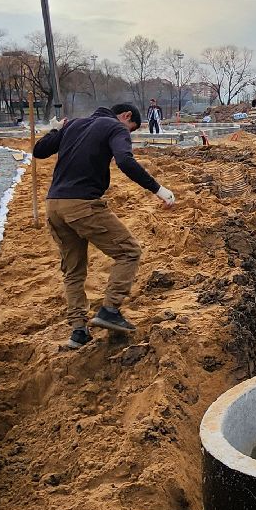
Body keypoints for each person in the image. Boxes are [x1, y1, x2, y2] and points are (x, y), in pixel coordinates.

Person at [33, 103, 175, 348]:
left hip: (54, 206)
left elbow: (39, 150)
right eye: (130, 130)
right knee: (129, 251)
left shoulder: (74, 124)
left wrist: (56, 131)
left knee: (73, 271)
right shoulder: (115, 127)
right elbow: (124, 160)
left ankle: (78, 331)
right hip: (83, 204)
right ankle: (110, 310)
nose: (127, 135)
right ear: (126, 116)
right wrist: (158, 189)